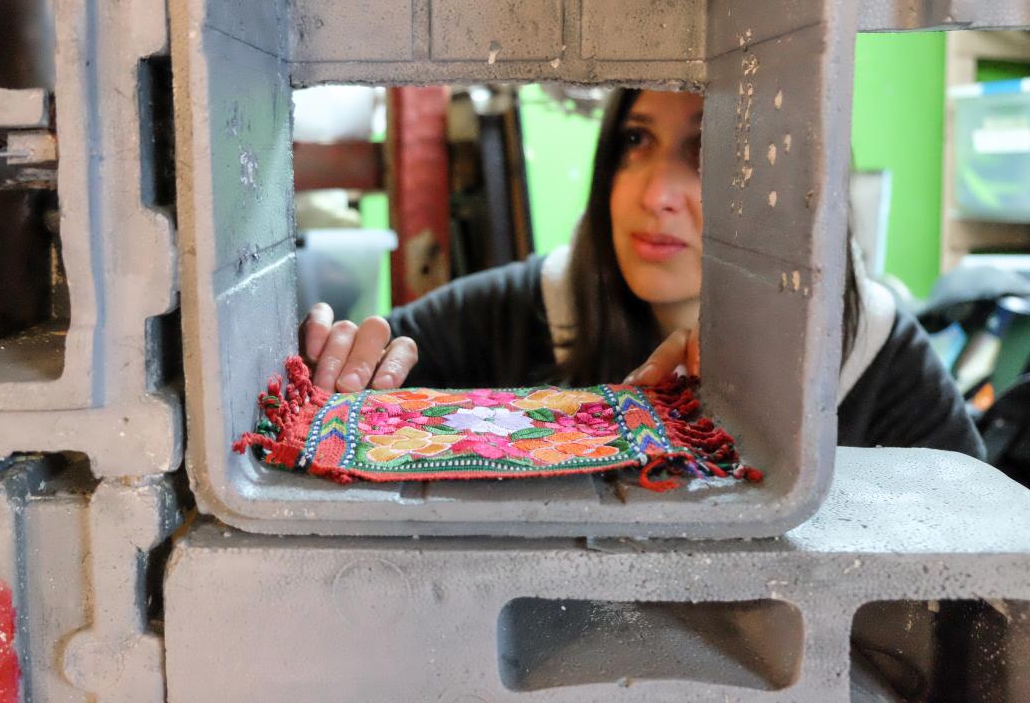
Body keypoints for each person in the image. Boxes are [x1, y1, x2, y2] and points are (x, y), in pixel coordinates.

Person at [299, 89, 984, 456]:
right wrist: (344, 361)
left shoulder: (875, 354)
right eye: (636, 140)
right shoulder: (521, 306)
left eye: (714, 152)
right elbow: (363, 367)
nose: (655, 192)